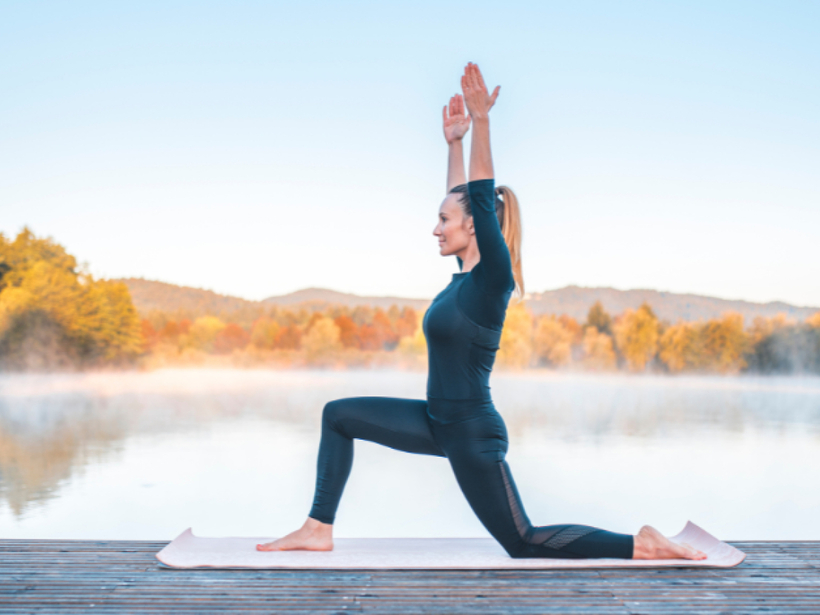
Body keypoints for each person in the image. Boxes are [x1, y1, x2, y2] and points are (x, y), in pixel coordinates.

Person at [257, 63, 706, 561]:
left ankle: (640, 544)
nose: (435, 229)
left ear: (474, 226)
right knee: (338, 416)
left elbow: (475, 202)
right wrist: (454, 143)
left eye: (443, 220)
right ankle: (317, 528)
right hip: (436, 421)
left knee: (523, 541)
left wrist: (483, 124)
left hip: (471, 432)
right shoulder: (462, 279)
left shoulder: (493, 278)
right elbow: (463, 201)